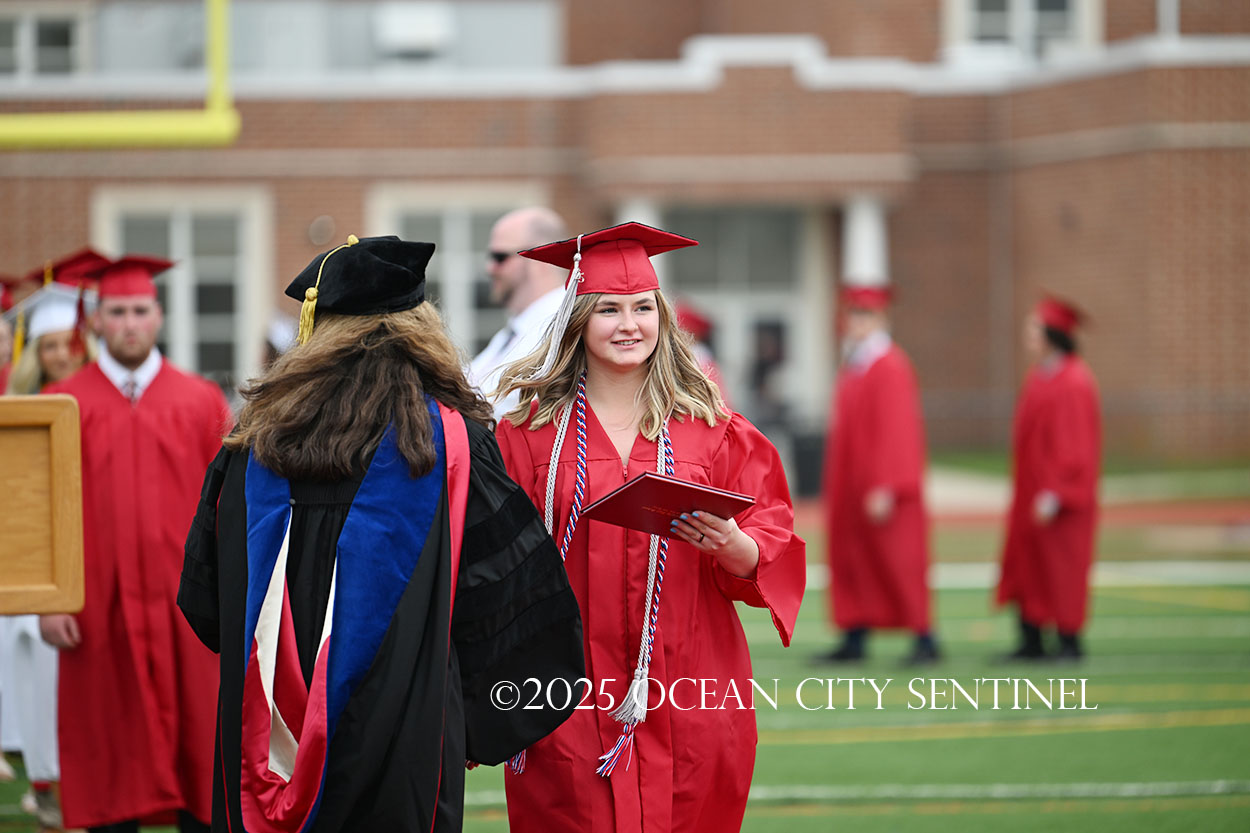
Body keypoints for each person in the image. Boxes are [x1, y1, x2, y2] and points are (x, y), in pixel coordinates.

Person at [177, 235, 584, 832]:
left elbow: (203, 599)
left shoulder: (251, 448)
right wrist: (470, 720)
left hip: (266, 740)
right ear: (422, 329)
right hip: (408, 736)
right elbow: (511, 598)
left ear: (319, 330)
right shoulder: (450, 446)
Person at [494, 222, 806, 833]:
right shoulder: (528, 436)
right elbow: (492, 558)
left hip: (688, 687)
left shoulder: (712, 430)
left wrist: (736, 546)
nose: (628, 324)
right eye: (608, 309)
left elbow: (772, 534)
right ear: (577, 320)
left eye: (642, 308)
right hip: (567, 690)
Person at [41, 255, 233, 833]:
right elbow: (40, 509)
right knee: (109, 752)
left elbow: (228, 509)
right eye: (118, 311)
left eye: (140, 311)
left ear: (159, 315)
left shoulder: (200, 400)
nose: (129, 324)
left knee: (200, 747)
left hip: (187, 607)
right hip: (96, 608)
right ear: (96, 320)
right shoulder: (62, 404)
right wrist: (50, 600)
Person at [1, 282, 100, 832]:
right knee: (38, 681)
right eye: (49, 346)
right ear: (34, 354)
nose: (61, 355)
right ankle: (50, 791)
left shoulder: (100, 405)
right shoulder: (18, 414)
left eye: (69, 343)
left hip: (91, 561)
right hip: (35, 566)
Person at [820, 286, 938, 665]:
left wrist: (887, 485)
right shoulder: (856, 365)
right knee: (853, 562)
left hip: (880, 486)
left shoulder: (890, 365)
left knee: (899, 561)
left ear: (881, 319)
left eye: (866, 315)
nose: (857, 322)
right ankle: (854, 635)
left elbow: (898, 429)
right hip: (852, 486)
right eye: (853, 314)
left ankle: (925, 638)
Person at [996, 295, 1101, 661]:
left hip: (1058, 497)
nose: (1028, 335)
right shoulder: (1040, 375)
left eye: (1034, 329)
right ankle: (1032, 639)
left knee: (1062, 568)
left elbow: (1075, 446)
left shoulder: (1074, 381)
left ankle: (1069, 641)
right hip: (1030, 491)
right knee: (1029, 567)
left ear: (1053, 335)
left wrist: (1054, 493)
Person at [468, 206, 570, 419]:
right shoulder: (516, 329)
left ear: (540, 257)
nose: (490, 268)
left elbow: (505, 407)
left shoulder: (565, 326)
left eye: (500, 257)